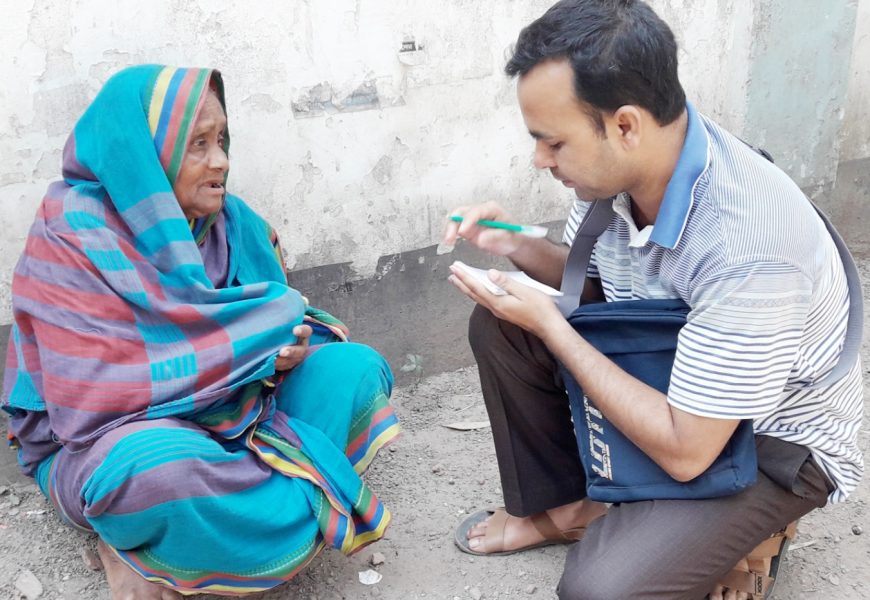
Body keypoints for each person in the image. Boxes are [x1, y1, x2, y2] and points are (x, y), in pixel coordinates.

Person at [444, 1, 863, 599]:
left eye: (553, 142)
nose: (541, 160)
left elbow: (690, 451)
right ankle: (571, 509)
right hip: (679, 372)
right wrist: (514, 246)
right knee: (504, 326)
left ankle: (755, 531)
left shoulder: (749, 244)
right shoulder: (628, 168)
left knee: (604, 591)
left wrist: (553, 326)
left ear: (624, 125)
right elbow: (596, 290)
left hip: (764, 435)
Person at [2, 64, 399, 600]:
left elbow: (272, 323)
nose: (221, 162)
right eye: (198, 145)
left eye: (222, 140)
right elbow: (89, 400)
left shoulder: (228, 222)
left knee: (355, 369)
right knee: (156, 474)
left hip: (242, 409)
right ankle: (144, 536)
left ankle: (198, 538)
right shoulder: (71, 232)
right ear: (146, 153)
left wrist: (285, 347)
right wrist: (237, 356)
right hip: (112, 437)